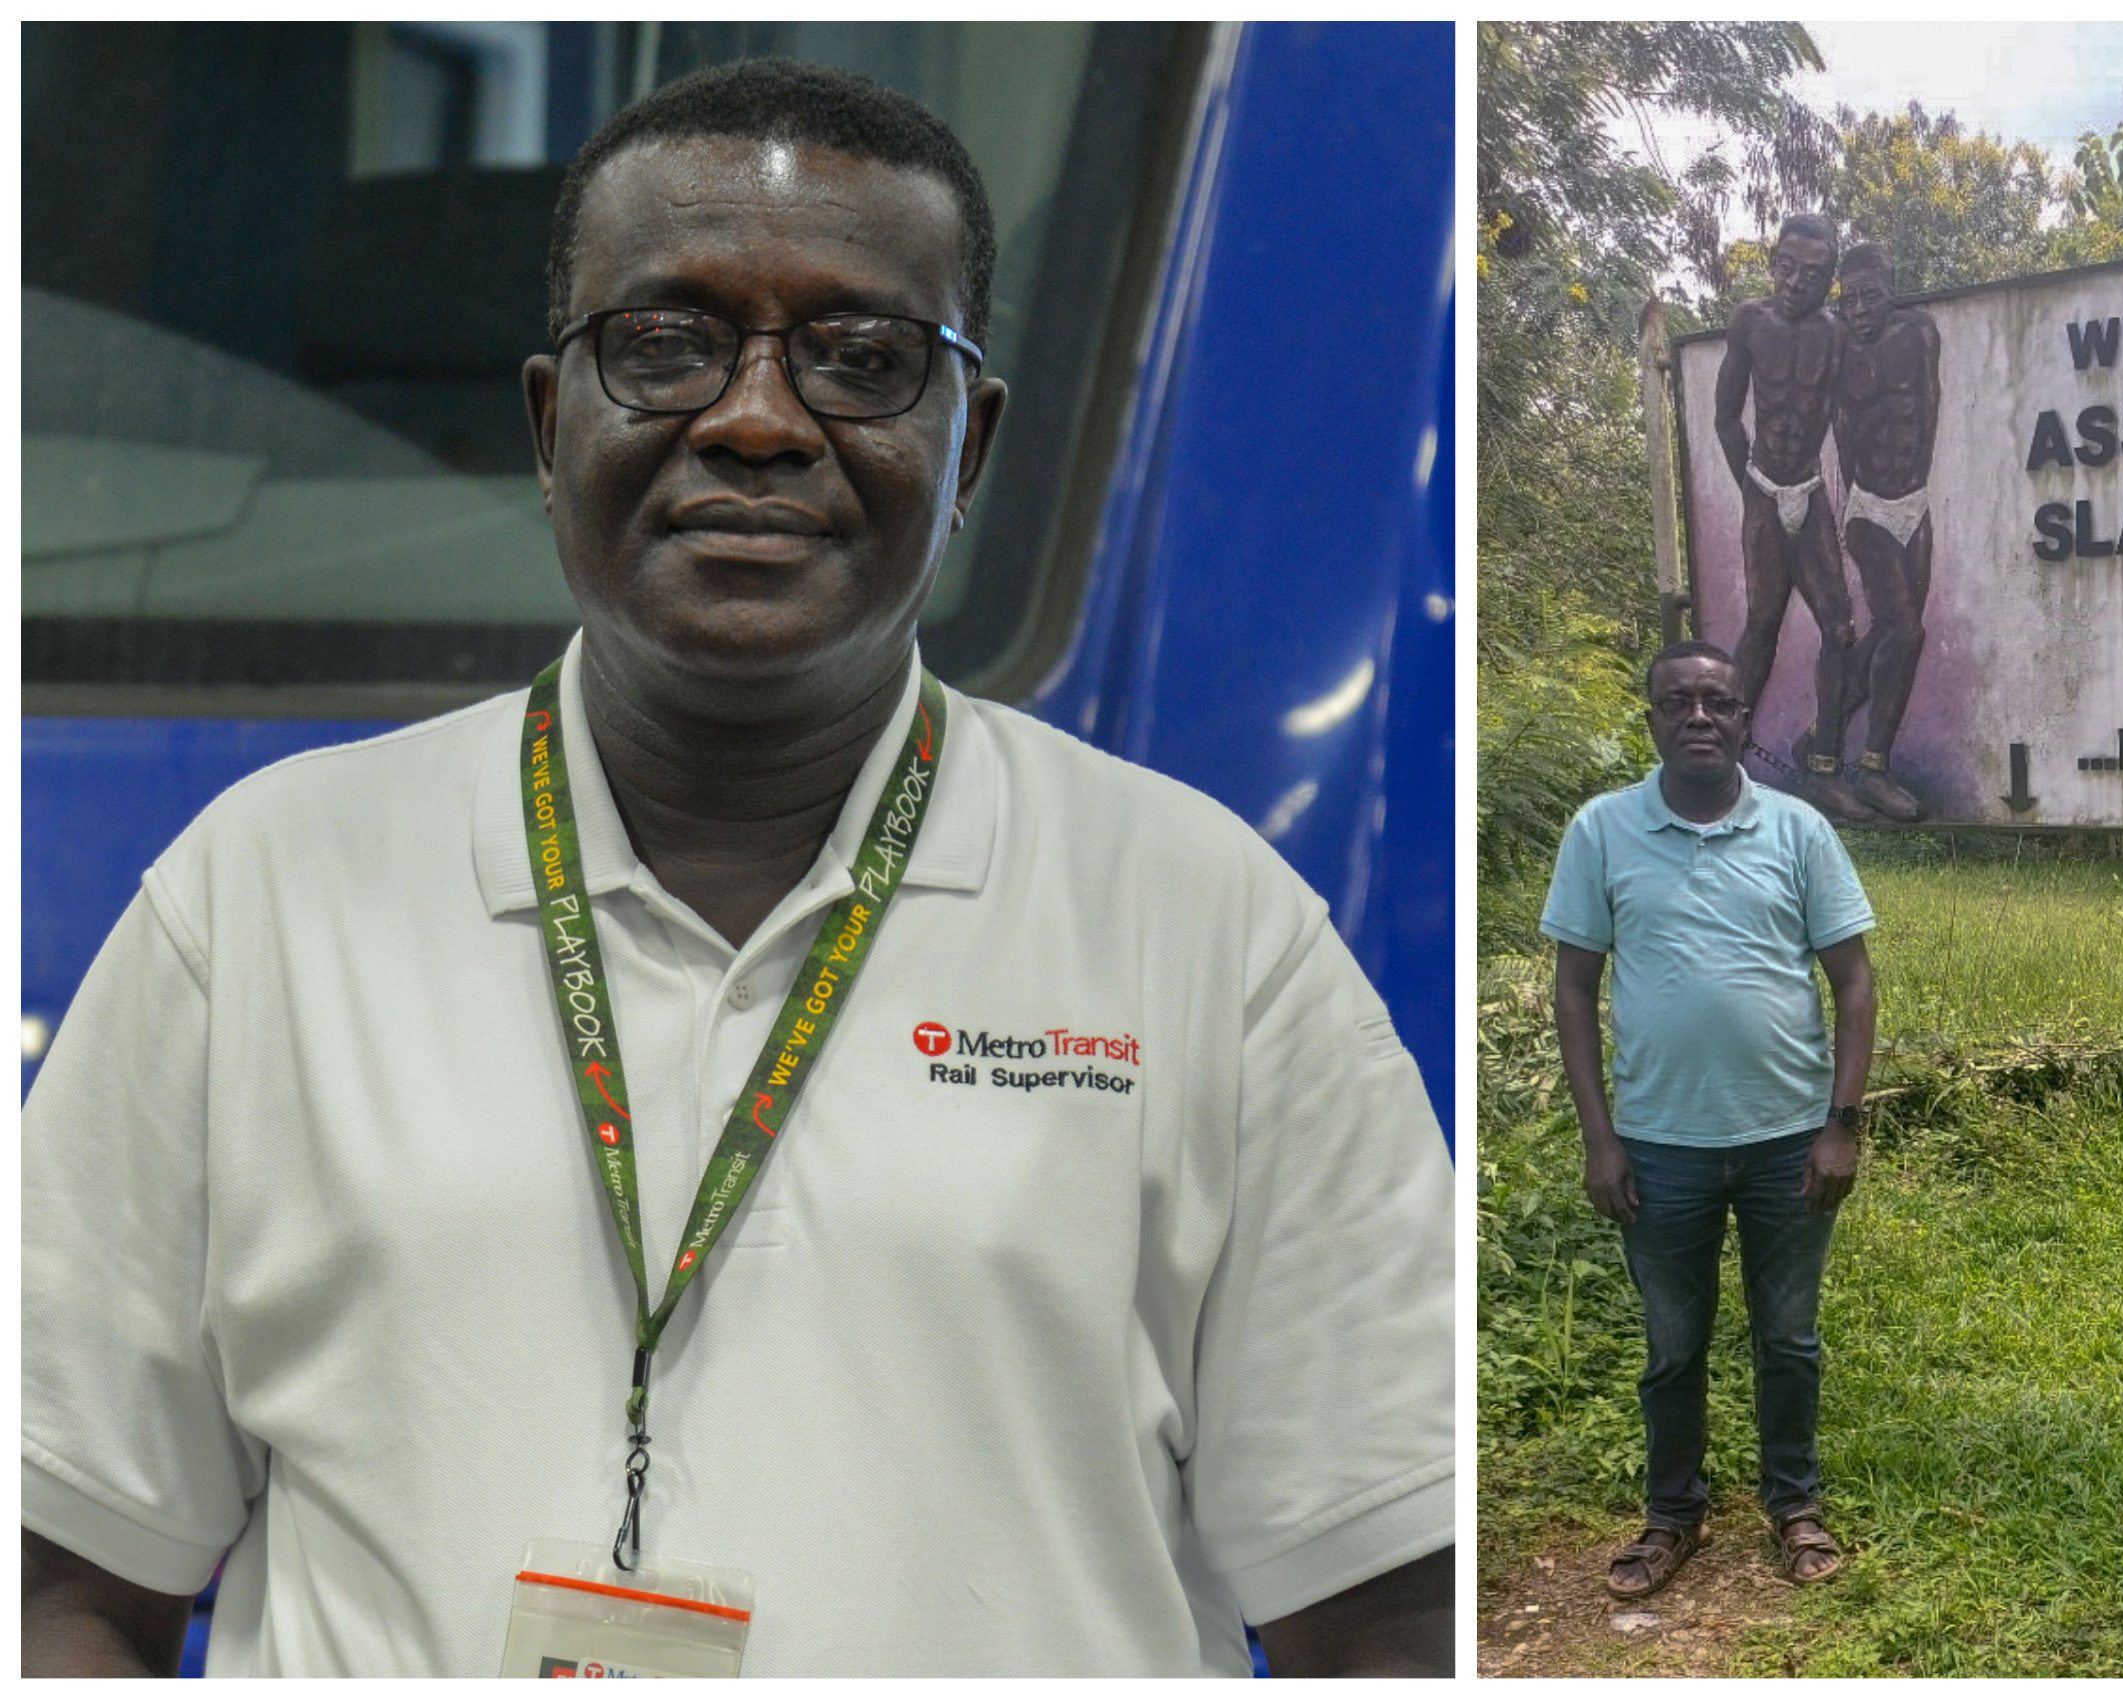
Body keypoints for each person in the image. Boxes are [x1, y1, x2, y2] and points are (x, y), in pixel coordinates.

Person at [21, 59, 1453, 1679]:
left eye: (859, 359)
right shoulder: (254, 905)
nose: (758, 420)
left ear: (966, 445)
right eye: (668, 344)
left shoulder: (1213, 934)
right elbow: (67, 1587)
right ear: (554, 427)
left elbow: (1387, 1614)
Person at [1540, 641, 1875, 1596]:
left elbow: (1853, 983)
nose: (1698, 716)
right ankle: (1671, 1517)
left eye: (1718, 702)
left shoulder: (1800, 831)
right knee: (1674, 1344)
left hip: (1788, 1143)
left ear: (1743, 721)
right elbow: (1573, 991)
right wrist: (1599, 1138)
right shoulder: (1603, 830)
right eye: (1677, 702)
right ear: (1650, 719)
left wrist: (1841, 1123)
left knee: (1789, 1337)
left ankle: (1795, 1507)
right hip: (1658, 1146)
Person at [1713, 212, 1870, 823]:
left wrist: (1854, 495)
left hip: (1808, 486)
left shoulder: (1836, 336)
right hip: (1761, 485)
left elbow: (1845, 421)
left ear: (1829, 278)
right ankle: (1720, 762)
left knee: (1841, 627)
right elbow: (1727, 416)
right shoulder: (1749, 322)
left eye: (1812, 273)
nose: (1795, 282)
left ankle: (1823, 765)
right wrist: (1750, 490)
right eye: (1787, 267)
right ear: (1772, 263)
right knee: (1761, 625)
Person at [1830, 242, 1939, 823]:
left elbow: (1931, 404)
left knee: (1887, 639)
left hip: (1913, 501)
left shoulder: (1919, 333)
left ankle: (1818, 735)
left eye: (1871, 296)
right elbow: (1839, 431)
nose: (1862, 310)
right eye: (1850, 301)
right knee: (1906, 630)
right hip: (1868, 505)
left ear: (1891, 292)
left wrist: (1915, 480)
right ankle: (1873, 769)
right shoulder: (1837, 351)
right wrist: (1853, 503)